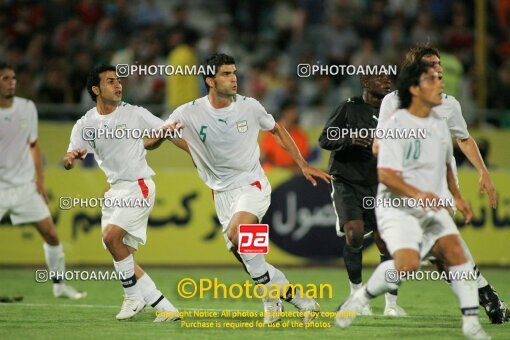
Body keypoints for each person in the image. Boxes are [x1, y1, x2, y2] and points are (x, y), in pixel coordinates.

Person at [145, 53, 331, 323]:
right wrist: (164, 135)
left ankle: (270, 302)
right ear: (210, 80)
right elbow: (150, 142)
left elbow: (277, 130)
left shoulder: (249, 106)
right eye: (226, 74)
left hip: (252, 184)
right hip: (221, 194)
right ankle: (302, 300)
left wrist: (302, 164)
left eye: (234, 73)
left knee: (238, 234)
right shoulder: (188, 112)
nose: (234, 78)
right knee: (244, 254)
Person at [336, 61, 490, 340]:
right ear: (416, 89)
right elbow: (385, 174)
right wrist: (420, 194)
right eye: (433, 80)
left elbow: (445, 164)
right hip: (396, 206)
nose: (441, 85)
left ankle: (471, 325)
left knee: (457, 255)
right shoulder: (396, 125)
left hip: (428, 204)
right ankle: (359, 299)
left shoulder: (438, 123)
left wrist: (456, 196)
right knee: (406, 264)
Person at [376, 46, 509, 324]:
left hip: (439, 187)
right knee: (440, 258)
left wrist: (483, 172)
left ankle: (488, 298)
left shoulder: (449, 104)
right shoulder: (393, 101)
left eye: (438, 63)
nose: (438, 68)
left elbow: (464, 138)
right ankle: (487, 296)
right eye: (431, 64)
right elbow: (379, 144)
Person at [63, 64, 179, 322]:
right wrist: (70, 159)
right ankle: (164, 306)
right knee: (119, 251)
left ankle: (133, 297)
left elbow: (167, 131)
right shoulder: (85, 124)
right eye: (110, 81)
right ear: (96, 89)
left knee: (111, 237)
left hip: (138, 185)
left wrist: (197, 156)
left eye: (119, 80)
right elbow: (72, 154)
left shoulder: (134, 114)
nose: (118, 85)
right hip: (114, 190)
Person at [318, 73, 406, 317]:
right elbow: (325, 138)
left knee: (387, 241)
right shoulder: (349, 107)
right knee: (355, 235)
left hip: (380, 183)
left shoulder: (396, 112)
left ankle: (391, 303)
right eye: (380, 78)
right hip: (348, 181)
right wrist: (350, 139)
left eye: (390, 79)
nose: (388, 82)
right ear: (365, 83)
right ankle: (357, 297)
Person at [0, 62, 85, 300]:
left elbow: (34, 145)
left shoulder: (27, 108)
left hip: (24, 185)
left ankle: (59, 286)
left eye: (13, 78)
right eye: (5, 78)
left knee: (50, 233)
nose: (11, 82)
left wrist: (40, 179)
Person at [260, 99, 310, 174]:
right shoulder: (272, 131)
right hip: (274, 171)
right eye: (291, 111)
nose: (294, 114)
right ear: (284, 112)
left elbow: (303, 160)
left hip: (292, 172)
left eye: (295, 111)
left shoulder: (301, 134)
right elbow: (265, 156)